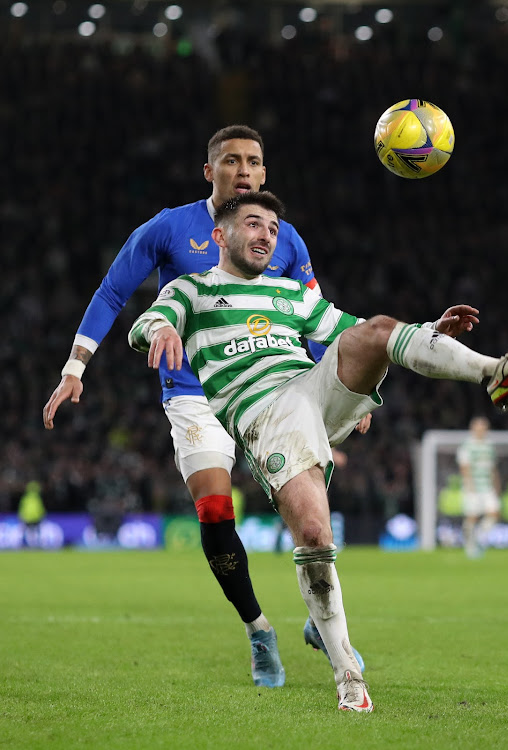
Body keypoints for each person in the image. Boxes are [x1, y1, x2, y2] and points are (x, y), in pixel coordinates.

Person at [127, 191, 508, 711]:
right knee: (313, 533)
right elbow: (143, 323)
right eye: (254, 224)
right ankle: (348, 676)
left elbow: (349, 333)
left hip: (310, 388)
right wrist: (164, 325)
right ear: (220, 235)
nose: (266, 235)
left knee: (374, 329)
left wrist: (426, 333)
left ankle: (495, 371)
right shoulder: (191, 291)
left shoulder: (290, 293)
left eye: (273, 228)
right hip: (264, 417)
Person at [42, 124, 359, 688]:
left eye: (254, 161)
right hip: (193, 392)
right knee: (215, 512)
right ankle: (259, 629)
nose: (244, 170)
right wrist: (75, 367)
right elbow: (114, 290)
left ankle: (322, 615)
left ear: (264, 172)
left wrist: (342, 399)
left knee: (309, 519)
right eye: (232, 161)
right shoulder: (170, 227)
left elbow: (316, 323)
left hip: (272, 392)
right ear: (209, 171)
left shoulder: (283, 238)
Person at [456, 416, 501, 558]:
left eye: (484, 427)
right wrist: (469, 484)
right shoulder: (467, 445)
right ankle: (469, 546)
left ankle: (478, 537)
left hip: (487, 486)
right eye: (479, 427)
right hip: (473, 487)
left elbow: (493, 468)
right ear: (473, 429)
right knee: (472, 516)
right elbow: (464, 467)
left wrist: (497, 484)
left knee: (494, 513)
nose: (481, 430)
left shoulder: (489, 445)